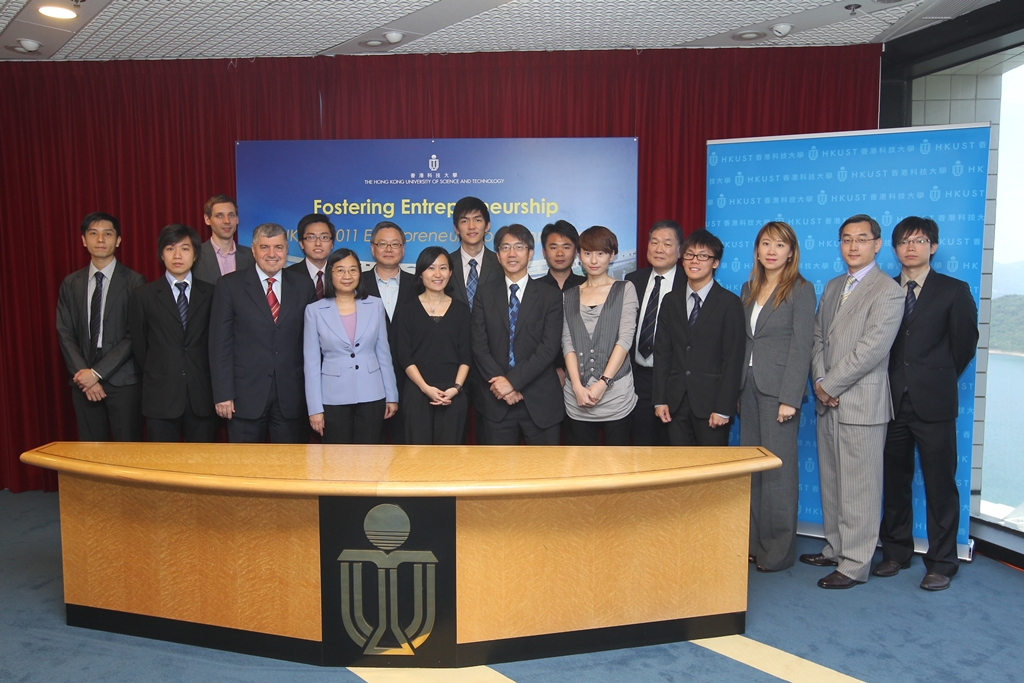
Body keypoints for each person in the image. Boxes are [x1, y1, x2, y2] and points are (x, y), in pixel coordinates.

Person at [874, 216, 978, 592]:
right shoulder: (883, 290)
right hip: (888, 402)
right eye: (903, 242)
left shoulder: (954, 290)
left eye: (919, 241)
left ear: (932, 246)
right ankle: (896, 552)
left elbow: (963, 345)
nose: (911, 247)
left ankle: (942, 562)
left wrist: (934, 376)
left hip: (934, 403)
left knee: (940, 486)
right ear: (895, 248)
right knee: (895, 482)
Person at [802, 214, 904, 589]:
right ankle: (835, 547)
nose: (853, 246)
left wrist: (832, 385)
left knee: (860, 486)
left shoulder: (888, 290)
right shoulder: (832, 286)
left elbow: (872, 349)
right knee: (832, 480)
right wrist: (818, 380)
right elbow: (817, 339)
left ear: (877, 244)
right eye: (846, 239)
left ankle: (856, 563)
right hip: (827, 399)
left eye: (862, 239)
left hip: (860, 403)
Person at [739, 221, 817, 572]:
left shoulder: (801, 289)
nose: (772, 250)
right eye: (766, 243)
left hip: (779, 393)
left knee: (779, 476)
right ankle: (754, 544)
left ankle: (779, 552)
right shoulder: (748, 288)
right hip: (748, 389)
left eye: (780, 245)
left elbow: (803, 347)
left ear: (791, 252)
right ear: (757, 250)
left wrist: (791, 397)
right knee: (752, 472)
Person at [208, 222, 316, 443]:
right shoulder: (230, 286)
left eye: (278, 247)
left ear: (287, 250)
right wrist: (223, 394)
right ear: (253, 249)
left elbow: (312, 344)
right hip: (244, 396)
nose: (272, 254)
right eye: (265, 247)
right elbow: (220, 344)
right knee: (245, 469)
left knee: (289, 468)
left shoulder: (303, 286)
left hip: (291, 395)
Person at [471, 224, 565, 445]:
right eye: (505, 247)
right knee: (499, 475)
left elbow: (549, 348)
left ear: (530, 253)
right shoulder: (484, 293)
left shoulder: (549, 296)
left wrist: (512, 382)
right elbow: (479, 345)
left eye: (519, 247)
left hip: (540, 401)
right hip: (496, 403)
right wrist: (503, 387)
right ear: (497, 255)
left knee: (544, 475)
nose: (512, 254)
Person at [56, 212, 145, 441]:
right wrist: (84, 375)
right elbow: (65, 332)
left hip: (123, 380)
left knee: (127, 453)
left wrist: (98, 373)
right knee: (91, 452)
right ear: (84, 240)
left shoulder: (135, 281)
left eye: (108, 234)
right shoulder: (71, 283)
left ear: (118, 240)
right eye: (93, 234)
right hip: (82, 379)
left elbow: (133, 335)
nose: (101, 239)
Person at [652, 229, 745, 447]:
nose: (695, 261)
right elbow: (662, 353)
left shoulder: (729, 304)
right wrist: (660, 399)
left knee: (711, 473)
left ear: (715, 263)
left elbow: (733, 360)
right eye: (689, 255)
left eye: (703, 256)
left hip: (712, 405)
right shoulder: (670, 301)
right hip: (675, 402)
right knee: (679, 470)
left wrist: (724, 407)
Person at [128, 224, 217, 442]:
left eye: (185, 249)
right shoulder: (143, 295)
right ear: (161, 254)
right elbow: (140, 346)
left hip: (201, 396)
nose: (177, 255)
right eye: (170, 248)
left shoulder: (213, 293)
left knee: (202, 467)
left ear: (195, 255)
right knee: (161, 467)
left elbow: (216, 343)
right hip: (161, 396)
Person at [304, 249, 398, 444]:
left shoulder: (375, 305)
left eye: (353, 270)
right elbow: (311, 363)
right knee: (337, 461)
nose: (347, 276)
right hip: (332, 397)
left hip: (372, 394)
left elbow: (383, 354)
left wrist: (392, 395)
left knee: (371, 459)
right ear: (331, 273)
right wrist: (315, 408)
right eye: (340, 270)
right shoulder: (314, 311)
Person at [561, 226, 638, 446]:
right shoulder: (568, 296)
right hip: (578, 396)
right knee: (583, 467)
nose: (593, 260)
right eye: (587, 253)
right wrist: (576, 386)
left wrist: (603, 383)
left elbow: (625, 339)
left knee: (617, 465)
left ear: (611, 255)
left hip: (616, 395)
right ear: (579, 255)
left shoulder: (625, 289)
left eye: (601, 253)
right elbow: (568, 344)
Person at [392, 247, 472, 444]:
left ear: (451, 272)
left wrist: (456, 388)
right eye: (431, 268)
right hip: (418, 393)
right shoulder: (407, 309)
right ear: (421, 273)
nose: (437, 274)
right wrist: (426, 388)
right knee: (418, 461)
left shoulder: (461, 310)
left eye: (443, 268)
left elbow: (466, 355)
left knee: (451, 461)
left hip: (453, 394)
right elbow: (404, 355)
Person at [447, 196, 501, 442]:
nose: (471, 226)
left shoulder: (502, 263)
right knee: (450, 436)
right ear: (456, 228)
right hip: (450, 361)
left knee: (490, 436)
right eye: (464, 220)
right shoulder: (442, 265)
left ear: (487, 225)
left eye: (477, 220)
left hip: (491, 362)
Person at [625, 220, 683, 446]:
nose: (659, 249)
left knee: (673, 449)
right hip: (638, 378)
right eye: (654, 242)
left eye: (667, 244)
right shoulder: (633, 281)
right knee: (640, 448)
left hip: (674, 380)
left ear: (680, 250)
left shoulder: (688, 283)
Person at [363, 221, 418, 443]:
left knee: (406, 451)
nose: (389, 249)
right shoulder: (356, 284)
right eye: (382, 244)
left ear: (403, 249)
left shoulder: (419, 285)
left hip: (410, 382)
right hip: (367, 380)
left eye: (395, 244)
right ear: (372, 248)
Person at [193, 195, 255, 284]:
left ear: (237, 219)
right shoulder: (195, 255)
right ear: (207, 219)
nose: (227, 221)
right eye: (219, 216)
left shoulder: (252, 256)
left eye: (231, 215)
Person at [287, 213, 335, 300]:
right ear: (301, 243)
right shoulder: (288, 276)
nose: (318, 243)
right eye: (311, 237)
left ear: (332, 244)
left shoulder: (340, 275)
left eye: (324, 237)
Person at [537, 220, 587, 291]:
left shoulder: (587, 286)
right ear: (544, 252)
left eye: (566, 248)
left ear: (575, 251)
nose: (560, 253)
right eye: (554, 248)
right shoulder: (533, 288)